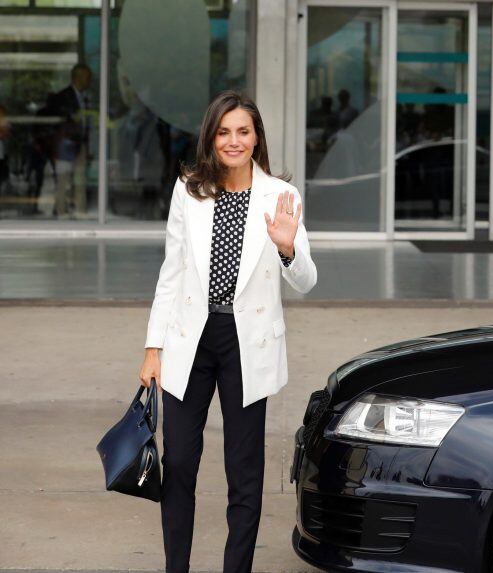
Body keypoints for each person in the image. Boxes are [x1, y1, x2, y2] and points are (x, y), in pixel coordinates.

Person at [138, 90, 317, 573]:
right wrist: (153, 347)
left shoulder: (282, 196)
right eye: (224, 132)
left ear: (257, 137)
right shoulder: (188, 190)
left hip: (246, 345)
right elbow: (170, 273)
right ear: (210, 137)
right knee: (178, 465)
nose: (233, 141)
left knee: (244, 474)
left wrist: (287, 249)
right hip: (189, 340)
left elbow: (306, 280)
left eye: (243, 131)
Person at [49, 63, 92, 217]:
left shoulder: (86, 98)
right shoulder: (62, 97)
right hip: (65, 145)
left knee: (80, 180)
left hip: (80, 144)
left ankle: (80, 211)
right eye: (87, 77)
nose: (89, 81)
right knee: (63, 180)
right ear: (78, 77)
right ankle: (61, 211)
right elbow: (56, 120)